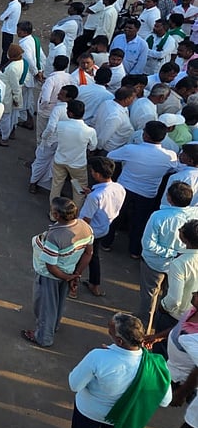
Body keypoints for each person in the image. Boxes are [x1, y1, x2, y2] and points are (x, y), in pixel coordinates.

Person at [67, 313, 171, 428]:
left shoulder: (97, 356)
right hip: (122, 417)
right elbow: (165, 401)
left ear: (119, 341)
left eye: (110, 331)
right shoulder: (155, 365)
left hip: (89, 411)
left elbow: (74, 385)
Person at [22, 197, 94, 347]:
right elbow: (88, 253)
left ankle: (44, 338)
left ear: (56, 215)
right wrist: (75, 275)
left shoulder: (54, 237)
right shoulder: (85, 227)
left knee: (45, 307)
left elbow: (51, 267)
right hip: (69, 271)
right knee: (59, 303)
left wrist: (68, 277)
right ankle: (53, 326)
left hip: (50, 276)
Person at [106, 121, 179, 257]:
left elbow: (110, 156)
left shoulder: (131, 149)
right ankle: (135, 251)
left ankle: (106, 242)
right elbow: (173, 169)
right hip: (148, 193)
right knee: (140, 222)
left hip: (124, 188)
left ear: (145, 135)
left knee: (115, 215)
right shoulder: (170, 156)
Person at [138, 184, 198, 324]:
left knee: (149, 297)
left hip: (155, 264)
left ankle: (145, 325)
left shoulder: (158, 216)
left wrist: (170, 253)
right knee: (170, 296)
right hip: (180, 264)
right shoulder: (194, 215)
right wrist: (176, 254)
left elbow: (148, 244)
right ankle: (157, 323)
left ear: (169, 198)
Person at [78, 157, 126, 297]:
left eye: (92, 171)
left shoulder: (95, 197)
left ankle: (72, 283)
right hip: (103, 228)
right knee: (94, 256)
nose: (91, 173)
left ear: (98, 174)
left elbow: (86, 219)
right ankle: (94, 284)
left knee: (80, 257)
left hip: (89, 231)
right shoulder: (119, 188)